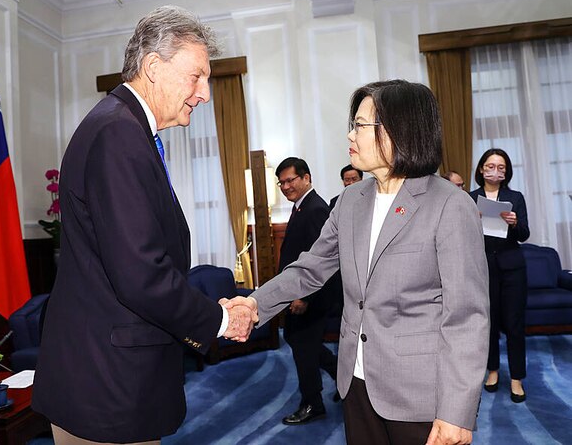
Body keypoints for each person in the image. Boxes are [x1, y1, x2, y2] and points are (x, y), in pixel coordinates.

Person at [32, 6, 255, 445]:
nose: (205, 94)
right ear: (153, 67)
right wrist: (218, 319)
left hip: (111, 377)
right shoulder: (118, 135)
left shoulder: (124, 127)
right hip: (107, 386)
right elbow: (141, 275)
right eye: (196, 77)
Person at [226, 80, 490, 445]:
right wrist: (255, 303)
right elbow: (311, 267)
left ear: (400, 131)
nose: (350, 134)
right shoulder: (350, 201)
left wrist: (456, 412)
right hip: (357, 384)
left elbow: (467, 317)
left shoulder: (449, 205)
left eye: (361, 125)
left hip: (421, 396)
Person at [274, 157, 339, 425]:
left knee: (303, 347)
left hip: (312, 296)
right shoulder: (301, 207)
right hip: (300, 291)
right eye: (281, 182)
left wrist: (304, 297)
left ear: (306, 178)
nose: (286, 186)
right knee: (298, 339)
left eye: (291, 180)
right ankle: (340, 373)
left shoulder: (314, 209)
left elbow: (321, 259)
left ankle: (312, 403)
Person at [469, 148, 530, 403]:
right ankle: (492, 370)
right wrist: (474, 220)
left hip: (512, 267)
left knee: (515, 325)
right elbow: (461, 236)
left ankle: (516, 377)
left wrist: (515, 223)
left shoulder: (515, 197)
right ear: (482, 169)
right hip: (483, 269)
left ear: (507, 172)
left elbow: (524, 234)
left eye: (502, 167)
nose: (496, 171)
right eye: (491, 166)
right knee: (489, 324)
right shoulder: (470, 198)